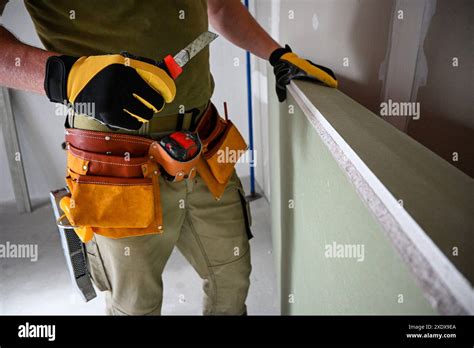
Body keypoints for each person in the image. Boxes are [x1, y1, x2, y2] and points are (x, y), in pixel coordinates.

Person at [0, 0, 336, 315]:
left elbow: (219, 6)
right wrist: (66, 76)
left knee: (232, 278)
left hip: (202, 141)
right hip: (112, 159)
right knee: (135, 303)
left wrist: (276, 53)